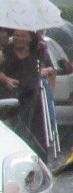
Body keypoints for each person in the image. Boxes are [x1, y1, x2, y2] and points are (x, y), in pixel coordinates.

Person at [0, 28, 56, 157]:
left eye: (23, 36)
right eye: (16, 35)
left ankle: (39, 157)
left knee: (35, 133)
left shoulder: (38, 54)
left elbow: (51, 72)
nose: (19, 38)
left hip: (33, 100)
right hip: (9, 99)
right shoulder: (5, 52)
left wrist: (50, 94)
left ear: (30, 38)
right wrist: (6, 79)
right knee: (12, 131)